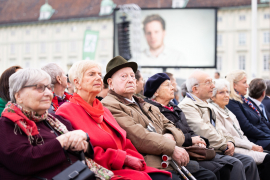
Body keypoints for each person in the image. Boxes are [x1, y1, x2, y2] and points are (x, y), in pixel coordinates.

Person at [102, 56, 217, 180]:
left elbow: (174, 128)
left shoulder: (145, 103)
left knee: (209, 176)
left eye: (132, 76)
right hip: (150, 163)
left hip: (171, 160)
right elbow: (139, 137)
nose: (130, 80)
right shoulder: (109, 105)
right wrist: (172, 147)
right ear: (110, 83)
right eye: (123, 76)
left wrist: (170, 136)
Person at [56, 60, 172, 180]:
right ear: (77, 82)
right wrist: (123, 159)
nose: (98, 78)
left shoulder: (103, 109)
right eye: (91, 74)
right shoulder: (66, 111)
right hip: (100, 170)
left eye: (99, 75)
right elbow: (80, 151)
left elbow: (123, 140)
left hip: (124, 165)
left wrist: (132, 158)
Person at [0, 68, 98, 180]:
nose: (48, 93)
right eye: (39, 88)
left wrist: (83, 143)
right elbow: (24, 162)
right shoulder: (7, 124)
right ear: (18, 96)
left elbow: (90, 149)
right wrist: (63, 141)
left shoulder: (55, 119)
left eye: (48, 87)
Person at [144, 73, 233, 180]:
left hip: (190, 151)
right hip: (174, 155)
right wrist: (191, 140)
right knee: (215, 171)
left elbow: (189, 130)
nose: (173, 87)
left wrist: (200, 140)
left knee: (225, 166)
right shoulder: (151, 110)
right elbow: (166, 136)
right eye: (168, 85)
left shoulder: (174, 108)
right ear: (156, 92)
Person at [179, 70, 260, 180]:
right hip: (206, 151)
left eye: (212, 82)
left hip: (217, 148)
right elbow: (204, 131)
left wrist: (230, 141)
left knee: (248, 161)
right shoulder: (187, 106)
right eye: (208, 83)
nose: (213, 86)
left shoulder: (206, 104)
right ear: (195, 89)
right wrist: (225, 145)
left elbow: (220, 130)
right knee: (236, 164)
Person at [209, 79, 270, 180]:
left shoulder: (227, 110)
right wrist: (252, 146)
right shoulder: (213, 111)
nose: (226, 95)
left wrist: (252, 146)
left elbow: (241, 133)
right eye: (221, 92)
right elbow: (228, 136)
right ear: (213, 96)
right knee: (267, 158)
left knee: (266, 154)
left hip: (243, 146)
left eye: (227, 92)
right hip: (233, 148)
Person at [226, 71, 270, 150]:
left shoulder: (244, 101)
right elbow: (246, 127)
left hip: (261, 137)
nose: (247, 85)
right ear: (234, 85)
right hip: (253, 140)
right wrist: (267, 136)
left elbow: (260, 121)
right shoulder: (231, 102)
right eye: (244, 82)